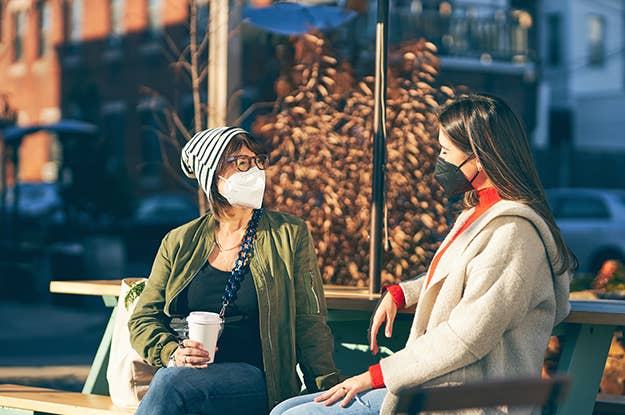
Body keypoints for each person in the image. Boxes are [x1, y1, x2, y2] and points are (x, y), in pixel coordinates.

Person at [270, 94, 576, 415]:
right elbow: (465, 273)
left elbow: (467, 336)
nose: (439, 159)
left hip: (469, 399)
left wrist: (373, 376)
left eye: (445, 151)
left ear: (480, 158)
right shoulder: (483, 214)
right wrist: (405, 292)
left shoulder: (514, 233)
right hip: (444, 386)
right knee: (285, 409)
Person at [129, 126, 340, 415]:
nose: (253, 170)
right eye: (241, 162)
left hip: (254, 378)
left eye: (257, 161)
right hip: (189, 376)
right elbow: (144, 318)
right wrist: (172, 352)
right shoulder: (179, 241)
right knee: (174, 380)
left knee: (170, 384)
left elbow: (309, 320)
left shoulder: (288, 234)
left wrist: (327, 389)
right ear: (213, 175)